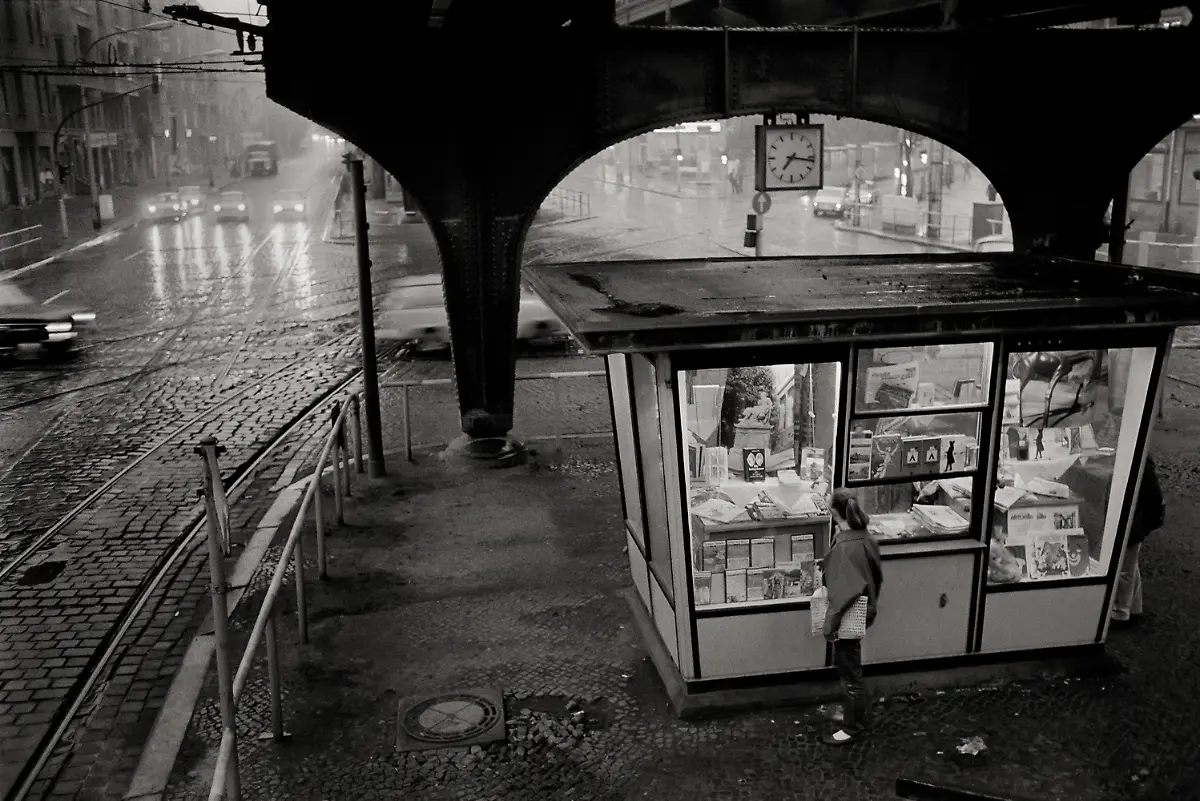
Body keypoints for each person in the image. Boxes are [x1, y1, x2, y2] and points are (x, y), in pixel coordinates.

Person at [821, 491, 884, 745]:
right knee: (851, 666)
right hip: (864, 608)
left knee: (849, 671)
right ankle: (854, 714)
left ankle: (853, 726)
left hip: (849, 614)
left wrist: (830, 624)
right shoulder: (866, 539)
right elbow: (873, 578)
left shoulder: (844, 547)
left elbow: (842, 595)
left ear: (834, 513)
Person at [1111, 456, 1164, 628]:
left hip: (1133, 523)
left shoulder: (1140, 465)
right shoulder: (1143, 463)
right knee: (1130, 565)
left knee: (1124, 568)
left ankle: (1120, 613)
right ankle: (1134, 607)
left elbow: (1153, 498)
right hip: (1137, 522)